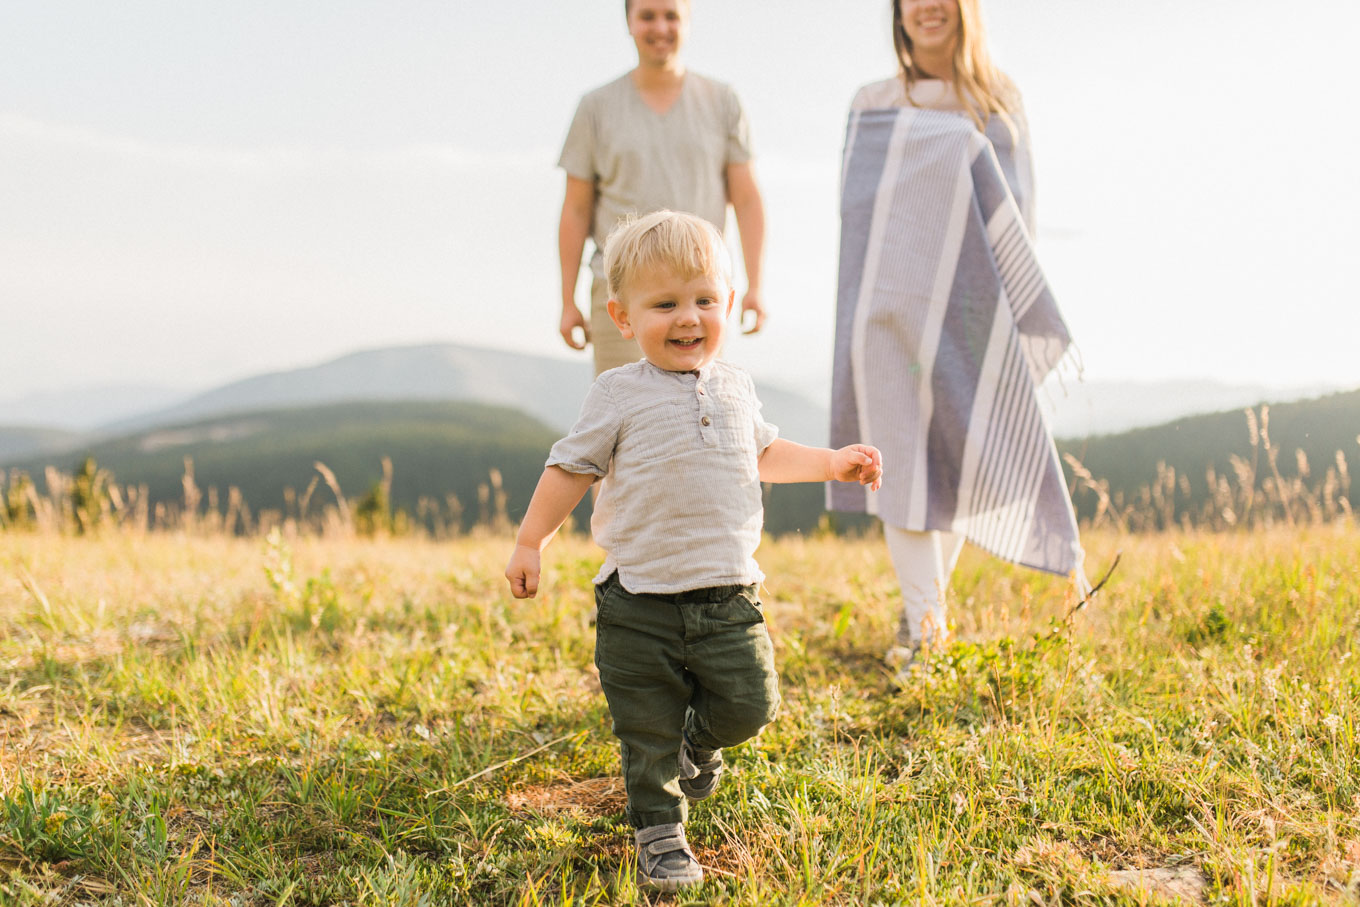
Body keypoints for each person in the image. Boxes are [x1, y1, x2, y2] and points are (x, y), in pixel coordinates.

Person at [508, 211, 882, 892]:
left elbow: (766, 452)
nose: (689, 317)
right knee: (643, 727)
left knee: (753, 701)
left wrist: (833, 463)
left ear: (730, 304)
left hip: (729, 596)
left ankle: (700, 741)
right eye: (666, 303)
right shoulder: (617, 392)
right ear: (623, 317)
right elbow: (571, 468)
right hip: (637, 602)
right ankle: (660, 832)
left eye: (705, 299)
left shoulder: (735, 386)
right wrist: (533, 538)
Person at [829, 0, 1086, 670]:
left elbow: (1017, 213)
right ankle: (928, 627)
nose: (928, 6)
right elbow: (862, 214)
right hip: (885, 313)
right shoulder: (873, 103)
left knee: (955, 462)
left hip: (971, 310)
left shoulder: (998, 103)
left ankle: (923, 615)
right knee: (899, 457)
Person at [557, 0, 768, 376]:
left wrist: (755, 285)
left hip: (699, 297)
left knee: (700, 418)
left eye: (671, 16)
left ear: (687, 23)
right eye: (648, 16)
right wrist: (567, 300)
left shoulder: (722, 101)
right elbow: (575, 209)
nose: (660, 28)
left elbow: (748, 199)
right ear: (629, 22)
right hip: (622, 293)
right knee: (623, 420)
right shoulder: (595, 107)